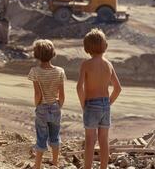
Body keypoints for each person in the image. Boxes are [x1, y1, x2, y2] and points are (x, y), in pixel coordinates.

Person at [76, 29, 122, 169]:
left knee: (90, 140)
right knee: (103, 140)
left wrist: (84, 104)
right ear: (104, 45)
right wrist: (108, 103)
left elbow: (79, 87)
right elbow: (118, 88)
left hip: (91, 104)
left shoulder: (86, 64)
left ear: (87, 48)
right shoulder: (109, 64)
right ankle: (103, 167)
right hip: (105, 105)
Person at [28, 39, 65, 169]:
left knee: (41, 136)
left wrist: (37, 105)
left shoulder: (34, 71)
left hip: (42, 107)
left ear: (36, 54)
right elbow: (62, 94)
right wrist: (58, 105)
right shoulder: (60, 71)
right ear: (53, 53)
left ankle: (37, 165)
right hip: (55, 106)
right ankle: (55, 162)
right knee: (55, 136)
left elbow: (37, 94)